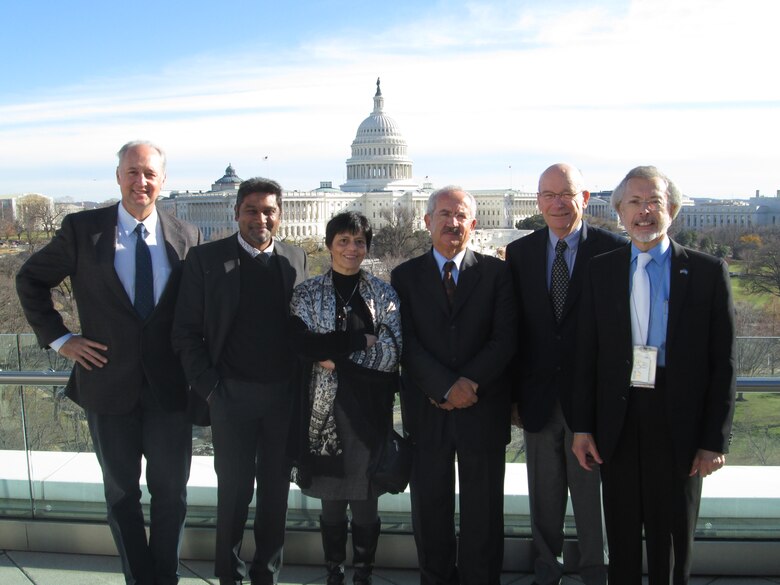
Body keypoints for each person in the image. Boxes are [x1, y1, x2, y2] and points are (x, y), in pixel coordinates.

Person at [15, 140, 201, 585]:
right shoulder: (83, 230)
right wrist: (61, 339)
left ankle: (165, 578)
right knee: (121, 494)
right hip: (106, 384)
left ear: (162, 180)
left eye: (149, 174)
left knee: (172, 494)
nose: (141, 182)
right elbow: (30, 279)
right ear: (118, 176)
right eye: (132, 172)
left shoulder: (186, 236)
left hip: (169, 390)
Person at [572, 166, 736, 585]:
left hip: (678, 420)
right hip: (618, 419)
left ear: (673, 210)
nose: (644, 212)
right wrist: (582, 428)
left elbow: (724, 364)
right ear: (620, 212)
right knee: (623, 535)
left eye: (654, 202)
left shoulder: (706, 272)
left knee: (674, 537)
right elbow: (586, 355)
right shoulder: (600, 270)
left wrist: (712, 440)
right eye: (634, 203)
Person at [171, 178, 308, 585]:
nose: (260, 218)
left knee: (275, 496)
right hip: (230, 396)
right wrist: (212, 389)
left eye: (268, 211)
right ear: (236, 213)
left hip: (282, 397)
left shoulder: (295, 257)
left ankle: (266, 575)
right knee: (232, 494)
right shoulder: (206, 259)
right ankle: (228, 576)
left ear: (279, 215)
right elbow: (185, 332)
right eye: (251, 210)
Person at [505, 163, 625, 585]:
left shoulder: (613, 251)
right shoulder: (520, 254)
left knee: (592, 500)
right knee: (544, 497)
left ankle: (597, 573)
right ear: (538, 201)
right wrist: (514, 397)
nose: (557, 203)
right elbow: (514, 331)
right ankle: (545, 573)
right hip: (537, 401)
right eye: (548, 195)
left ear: (585, 198)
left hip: (590, 403)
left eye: (566, 194)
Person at [390, 186, 516, 585]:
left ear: (473, 224)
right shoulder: (404, 277)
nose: (452, 222)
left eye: (461, 215)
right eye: (444, 214)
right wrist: (444, 387)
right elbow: (404, 341)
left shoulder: (497, 274)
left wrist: (467, 383)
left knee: (484, 509)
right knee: (430, 507)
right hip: (428, 410)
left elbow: (506, 339)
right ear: (427, 222)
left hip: (483, 407)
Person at [288, 211, 401, 585]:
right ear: (329, 245)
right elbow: (300, 346)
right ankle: (334, 571)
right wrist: (356, 344)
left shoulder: (383, 293)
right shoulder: (306, 293)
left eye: (359, 242)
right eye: (343, 241)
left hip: (368, 414)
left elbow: (390, 355)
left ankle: (364, 573)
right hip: (322, 414)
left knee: (366, 501)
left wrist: (333, 360)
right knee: (332, 500)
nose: (351, 249)